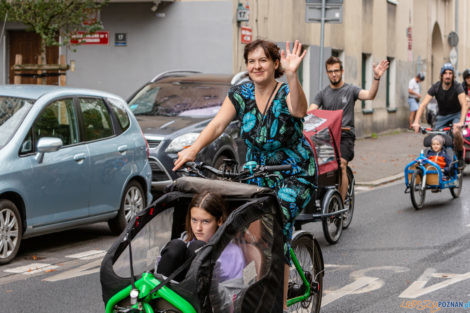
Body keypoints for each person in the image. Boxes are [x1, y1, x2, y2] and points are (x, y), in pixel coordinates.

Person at [173, 39, 315, 311]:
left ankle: (278, 304)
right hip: (257, 170)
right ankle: (242, 290)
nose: (256, 66)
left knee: (274, 225)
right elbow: (217, 124)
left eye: (263, 60)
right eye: (251, 61)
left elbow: (299, 110)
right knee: (239, 224)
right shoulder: (241, 93)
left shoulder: (286, 90)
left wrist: (294, 74)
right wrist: (193, 149)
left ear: (276, 64)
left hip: (293, 172)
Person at [308, 56, 389, 201]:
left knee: (341, 164)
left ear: (342, 71)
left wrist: (376, 78)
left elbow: (370, 95)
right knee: (316, 166)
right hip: (327, 137)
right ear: (327, 73)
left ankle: (341, 202)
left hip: (346, 135)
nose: (334, 74)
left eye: (336, 71)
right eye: (330, 71)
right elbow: (311, 113)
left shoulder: (350, 90)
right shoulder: (322, 93)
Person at [156, 191, 245, 282]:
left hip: (206, 294)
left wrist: (212, 273)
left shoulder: (233, 254)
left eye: (205, 221)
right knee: (176, 246)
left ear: (219, 221)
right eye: (194, 220)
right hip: (165, 292)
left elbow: (233, 292)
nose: (198, 228)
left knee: (198, 248)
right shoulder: (181, 243)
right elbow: (157, 269)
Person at [412, 63, 468, 169]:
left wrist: (461, 122)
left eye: (450, 73)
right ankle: (436, 162)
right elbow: (423, 104)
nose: (448, 76)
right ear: (441, 75)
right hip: (442, 116)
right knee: (435, 138)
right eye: (445, 73)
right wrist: (416, 121)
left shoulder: (457, 86)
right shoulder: (436, 87)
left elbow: (464, 104)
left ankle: (460, 157)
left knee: (456, 132)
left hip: (456, 114)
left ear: (453, 75)